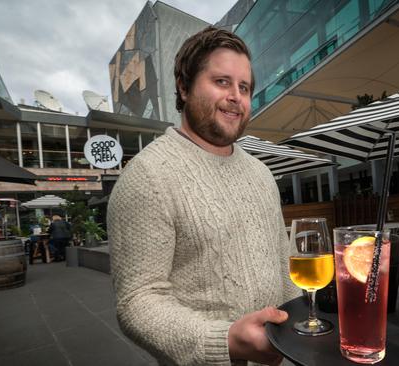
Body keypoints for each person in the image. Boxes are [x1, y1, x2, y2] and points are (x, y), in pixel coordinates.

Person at [108, 26, 299, 366]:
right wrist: (226, 341)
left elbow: (284, 269)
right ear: (184, 87)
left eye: (245, 87)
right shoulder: (146, 177)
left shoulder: (262, 174)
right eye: (221, 82)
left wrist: (301, 330)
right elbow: (138, 301)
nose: (236, 96)